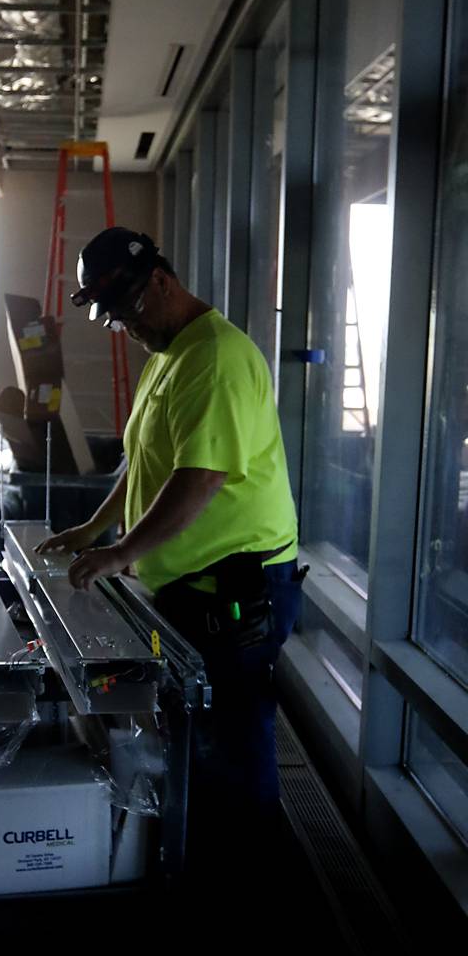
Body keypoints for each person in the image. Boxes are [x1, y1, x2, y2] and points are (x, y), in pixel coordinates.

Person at [37, 227, 304, 890]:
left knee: (235, 742)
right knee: (202, 734)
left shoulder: (213, 358)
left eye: (130, 310)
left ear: (160, 280)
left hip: (234, 587)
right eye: (116, 318)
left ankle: (252, 888)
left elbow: (199, 478)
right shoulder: (169, 351)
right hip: (189, 583)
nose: (127, 327)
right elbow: (149, 458)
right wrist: (100, 526)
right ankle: (207, 864)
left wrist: (123, 551)